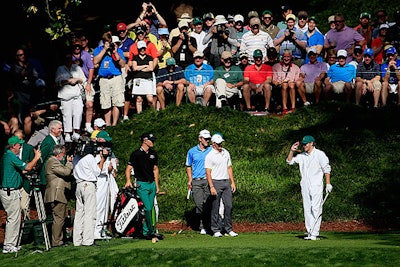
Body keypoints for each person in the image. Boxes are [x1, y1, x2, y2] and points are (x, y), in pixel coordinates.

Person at [286, 135, 332, 240]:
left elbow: (326, 169)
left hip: (316, 185)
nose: (304, 146)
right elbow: (289, 161)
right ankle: (309, 232)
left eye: (306, 144)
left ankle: (314, 233)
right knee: (307, 209)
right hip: (305, 185)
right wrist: (291, 150)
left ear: (311, 143)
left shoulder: (320, 154)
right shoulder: (302, 156)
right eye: (303, 144)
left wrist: (328, 183)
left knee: (316, 208)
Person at [1, 136, 41, 253]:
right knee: (13, 219)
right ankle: (8, 245)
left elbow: (22, 169)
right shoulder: (10, 156)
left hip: (11, 191)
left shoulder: (9, 156)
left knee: (15, 218)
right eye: (19, 145)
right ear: (13, 146)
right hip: (10, 191)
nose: (20, 147)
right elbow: (27, 167)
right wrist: (36, 158)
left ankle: (11, 243)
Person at [124, 133, 163, 241]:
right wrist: (128, 180)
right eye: (151, 140)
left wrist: (157, 185)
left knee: (151, 208)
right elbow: (128, 169)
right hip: (142, 184)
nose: (153, 142)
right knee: (147, 208)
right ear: (145, 141)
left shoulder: (153, 154)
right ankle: (149, 231)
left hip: (151, 184)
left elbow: (155, 169)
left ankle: (148, 231)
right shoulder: (136, 154)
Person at [73, 139, 107, 246]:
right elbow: (97, 171)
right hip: (88, 185)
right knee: (89, 213)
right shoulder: (89, 157)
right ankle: (88, 240)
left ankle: (77, 240)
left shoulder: (76, 158)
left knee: (79, 213)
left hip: (78, 185)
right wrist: (102, 159)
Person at [205, 133, 237, 237]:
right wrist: (211, 186)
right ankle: (215, 229)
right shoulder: (209, 156)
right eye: (218, 144)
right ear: (213, 144)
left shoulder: (226, 152)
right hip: (216, 182)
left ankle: (228, 228)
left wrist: (232, 182)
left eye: (221, 143)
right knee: (215, 206)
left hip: (226, 182)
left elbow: (229, 168)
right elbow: (208, 172)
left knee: (228, 205)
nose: (220, 145)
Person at [93, 33, 126, 126]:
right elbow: (95, 61)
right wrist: (104, 49)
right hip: (104, 79)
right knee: (105, 102)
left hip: (116, 78)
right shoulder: (98, 50)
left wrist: (115, 52)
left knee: (117, 101)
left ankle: (114, 124)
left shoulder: (118, 50)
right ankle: (108, 124)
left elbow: (123, 64)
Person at [44, 144, 73, 247]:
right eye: (64, 154)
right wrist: (69, 163)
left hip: (55, 194)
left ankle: (58, 240)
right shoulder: (52, 162)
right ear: (59, 154)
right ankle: (57, 242)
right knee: (59, 219)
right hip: (56, 194)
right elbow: (66, 172)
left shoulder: (54, 162)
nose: (65, 156)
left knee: (59, 218)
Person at [55, 51, 86, 142]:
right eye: (67, 58)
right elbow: (57, 82)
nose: (69, 60)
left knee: (78, 113)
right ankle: (67, 134)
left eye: (70, 58)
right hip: (65, 95)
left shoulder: (77, 68)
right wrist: (68, 81)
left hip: (77, 94)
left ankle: (76, 132)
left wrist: (76, 79)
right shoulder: (60, 69)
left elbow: (83, 79)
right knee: (67, 115)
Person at [185, 129, 212, 234]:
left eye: (209, 139)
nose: (207, 141)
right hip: (196, 181)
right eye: (206, 139)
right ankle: (204, 223)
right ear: (200, 139)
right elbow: (188, 166)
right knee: (199, 204)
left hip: (207, 180)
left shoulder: (211, 150)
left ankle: (204, 226)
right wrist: (190, 179)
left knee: (207, 203)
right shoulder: (192, 151)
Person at [93, 130, 117, 240]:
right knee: (99, 205)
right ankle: (96, 231)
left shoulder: (108, 151)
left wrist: (112, 168)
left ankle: (102, 229)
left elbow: (113, 163)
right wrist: (108, 169)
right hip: (99, 180)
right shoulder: (94, 151)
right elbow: (97, 167)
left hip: (106, 179)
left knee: (105, 205)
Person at [71, 38, 96, 134]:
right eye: (75, 46)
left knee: (89, 104)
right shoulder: (70, 57)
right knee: (77, 106)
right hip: (74, 82)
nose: (77, 48)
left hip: (85, 80)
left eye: (78, 46)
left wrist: (89, 83)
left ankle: (88, 125)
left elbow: (91, 68)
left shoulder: (86, 55)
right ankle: (76, 128)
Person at [130, 40, 156, 114]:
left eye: (144, 48)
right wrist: (145, 66)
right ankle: (140, 115)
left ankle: (153, 113)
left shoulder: (149, 57)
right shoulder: (135, 58)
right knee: (139, 99)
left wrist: (139, 68)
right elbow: (134, 68)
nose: (142, 50)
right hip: (138, 80)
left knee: (150, 99)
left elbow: (151, 68)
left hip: (147, 80)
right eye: (141, 48)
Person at [272, 49, 301, 114]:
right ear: (282, 57)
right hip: (279, 86)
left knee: (291, 84)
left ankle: (293, 107)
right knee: (285, 85)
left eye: (288, 57)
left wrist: (289, 81)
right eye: (285, 56)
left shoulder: (296, 67)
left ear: (291, 57)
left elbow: (296, 81)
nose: (286, 58)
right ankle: (284, 108)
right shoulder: (276, 66)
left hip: (292, 86)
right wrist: (279, 82)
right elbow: (274, 80)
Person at [38, 120, 63, 191]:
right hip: (48, 175)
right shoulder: (48, 141)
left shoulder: (55, 140)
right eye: (59, 128)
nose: (61, 130)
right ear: (52, 129)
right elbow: (41, 158)